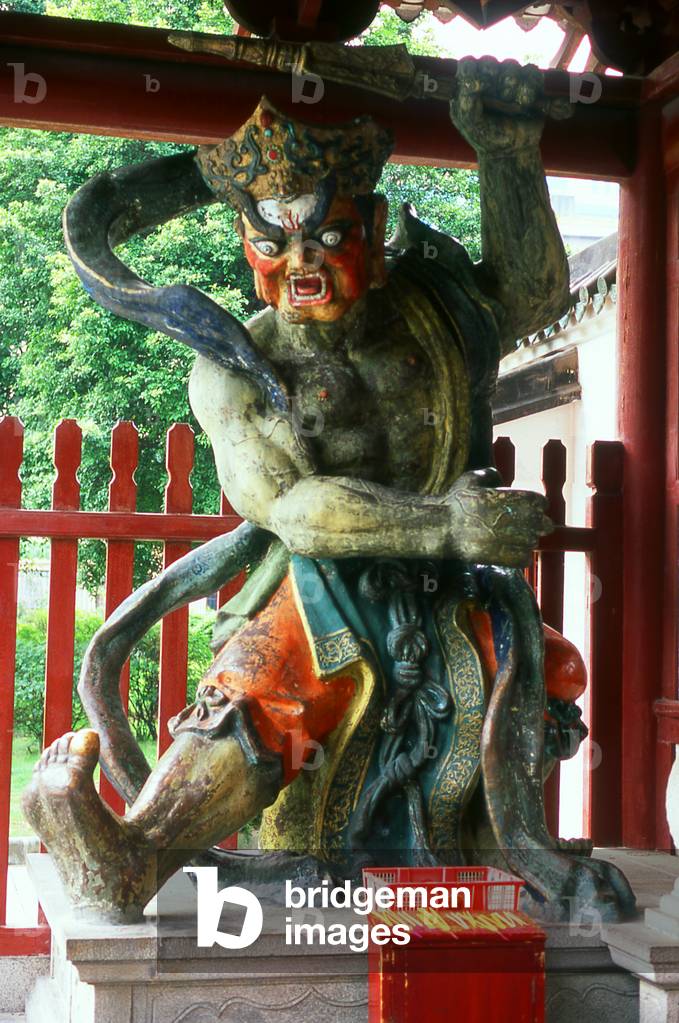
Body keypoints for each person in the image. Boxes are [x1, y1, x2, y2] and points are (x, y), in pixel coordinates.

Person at [23, 57, 635, 923]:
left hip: (450, 587)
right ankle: (138, 849)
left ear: (374, 226)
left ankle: (495, 844)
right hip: (318, 579)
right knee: (259, 696)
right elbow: (290, 509)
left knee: (545, 669)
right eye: (271, 244)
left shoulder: (436, 310)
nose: (300, 263)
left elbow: (533, 297)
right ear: (246, 252)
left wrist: (507, 152)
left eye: (326, 236)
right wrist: (447, 525)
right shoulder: (234, 366)